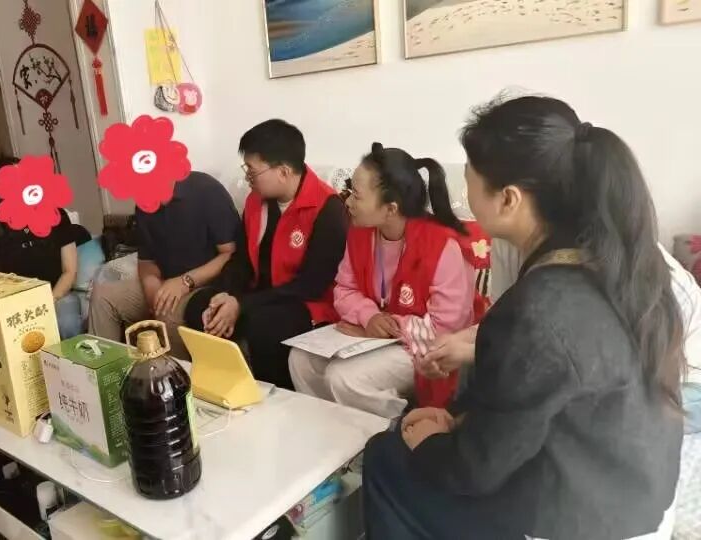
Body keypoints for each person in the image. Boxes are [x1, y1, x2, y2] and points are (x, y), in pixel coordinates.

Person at [363, 96, 684, 539]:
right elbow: (546, 396)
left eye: (470, 182)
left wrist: (431, 444)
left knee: (386, 456)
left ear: (508, 199)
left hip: (583, 521)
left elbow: (476, 470)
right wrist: (458, 423)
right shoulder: (623, 261)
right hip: (631, 490)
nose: (466, 197)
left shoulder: (540, 307)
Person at [422, 237, 701, 434]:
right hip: (610, 365)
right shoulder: (507, 242)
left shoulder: (606, 251)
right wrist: (458, 342)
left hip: (682, 379)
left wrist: (473, 351)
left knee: (561, 411)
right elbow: (504, 324)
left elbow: (583, 354)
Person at [288, 144, 484, 418]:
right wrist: (369, 317)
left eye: (357, 195)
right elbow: (344, 289)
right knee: (301, 360)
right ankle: (332, 430)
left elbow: (447, 327)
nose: (348, 202)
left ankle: (392, 430)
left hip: (427, 346)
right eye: (349, 190)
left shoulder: (443, 246)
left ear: (391, 208)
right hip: (377, 335)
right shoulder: (361, 232)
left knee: (344, 378)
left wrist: (386, 328)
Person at [184, 119, 348, 389]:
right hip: (259, 295)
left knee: (266, 325)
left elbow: (311, 285)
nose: (247, 177)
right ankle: (223, 391)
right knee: (200, 307)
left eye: (252, 170)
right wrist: (225, 295)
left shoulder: (328, 208)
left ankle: (274, 399)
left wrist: (242, 304)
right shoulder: (255, 201)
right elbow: (241, 261)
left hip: (306, 303)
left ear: (283, 171)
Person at [88, 171, 240, 358]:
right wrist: (151, 286)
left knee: (168, 312)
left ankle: (174, 376)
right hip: (166, 281)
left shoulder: (206, 190)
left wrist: (185, 282)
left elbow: (230, 254)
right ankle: (103, 368)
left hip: (203, 285)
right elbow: (146, 261)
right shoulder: (143, 205)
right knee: (104, 295)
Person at [0, 157, 90, 339]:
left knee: (66, 323)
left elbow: (69, 271)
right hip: (13, 304)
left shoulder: (56, 215)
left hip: (56, 295)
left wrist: (49, 301)